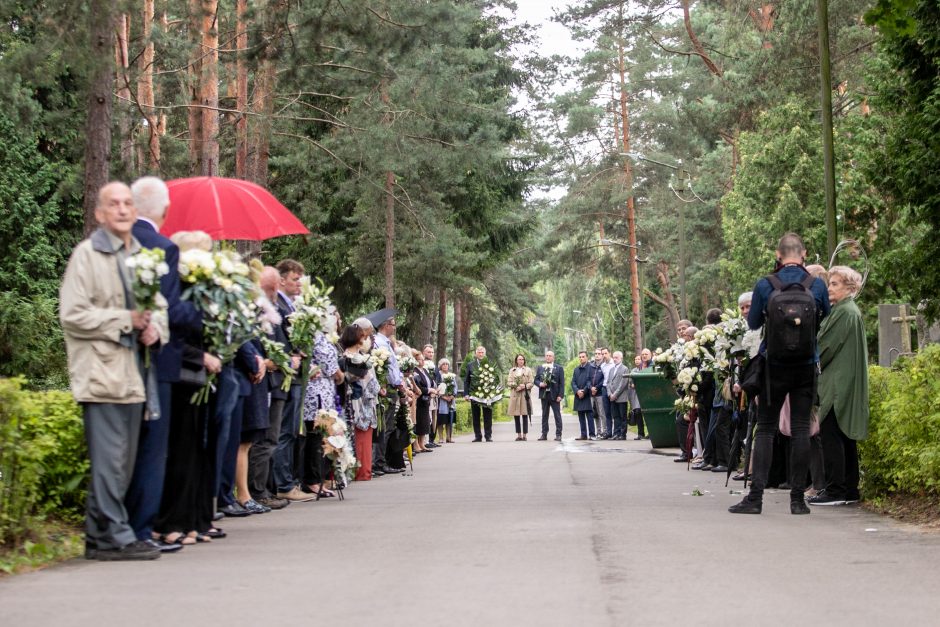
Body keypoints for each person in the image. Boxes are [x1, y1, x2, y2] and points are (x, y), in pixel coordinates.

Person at [60, 181, 166, 561]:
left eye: (127, 203)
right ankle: (117, 535)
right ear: (100, 214)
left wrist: (155, 330)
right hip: (101, 373)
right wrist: (126, 320)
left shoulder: (141, 257)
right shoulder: (86, 255)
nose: (122, 209)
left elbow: (158, 310)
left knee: (123, 462)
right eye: (113, 204)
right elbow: (72, 316)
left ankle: (98, 537)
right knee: (110, 460)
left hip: (135, 375)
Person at [124, 176, 202, 553]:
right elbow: (170, 307)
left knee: (126, 448)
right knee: (155, 449)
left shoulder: (113, 244)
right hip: (160, 358)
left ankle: (127, 526)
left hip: (118, 356)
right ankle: (144, 529)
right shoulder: (162, 246)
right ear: (166, 211)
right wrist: (204, 311)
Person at [730, 233, 830, 516]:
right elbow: (823, 317)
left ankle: (756, 498)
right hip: (806, 365)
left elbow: (752, 323)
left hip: (773, 367)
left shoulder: (765, 284)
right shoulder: (817, 285)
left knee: (766, 429)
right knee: (800, 429)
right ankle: (798, 500)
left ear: (778, 254)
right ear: (804, 254)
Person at [153, 230, 222, 548]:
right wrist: (202, 354)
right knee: (181, 451)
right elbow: (175, 330)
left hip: (199, 375)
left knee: (197, 451)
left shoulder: (202, 288)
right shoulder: (178, 286)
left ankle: (195, 518)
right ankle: (174, 520)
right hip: (182, 372)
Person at [809, 266, 869, 506]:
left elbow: (824, 346)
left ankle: (836, 490)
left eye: (834, 284)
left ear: (850, 288)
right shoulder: (845, 310)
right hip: (840, 381)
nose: (829, 287)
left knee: (833, 435)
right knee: (843, 437)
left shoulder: (845, 312)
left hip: (837, 384)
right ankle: (849, 490)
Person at [247, 266, 293, 510]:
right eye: (270, 287)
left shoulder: (271, 309)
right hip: (267, 378)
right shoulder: (257, 310)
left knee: (271, 438)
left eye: (275, 286)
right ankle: (258, 490)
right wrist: (274, 360)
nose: (274, 291)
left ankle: (265, 488)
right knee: (265, 439)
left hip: (276, 379)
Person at [272, 260, 316, 502]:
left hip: (297, 374)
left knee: (289, 430)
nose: (299, 283)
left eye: (300, 279)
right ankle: (283, 484)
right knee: (285, 431)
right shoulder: (278, 306)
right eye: (295, 279)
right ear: (281, 280)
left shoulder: (292, 306)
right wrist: (294, 354)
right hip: (286, 374)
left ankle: (287, 481)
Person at [368, 309, 407, 474]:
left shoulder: (381, 342)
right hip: (388, 388)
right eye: (393, 324)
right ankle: (379, 462)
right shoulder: (382, 343)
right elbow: (390, 368)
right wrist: (399, 384)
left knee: (384, 426)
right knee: (386, 426)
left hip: (388, 386)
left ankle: (379, 461)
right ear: (385, 326)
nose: (394, 328)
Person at [340, 319, 380, 481]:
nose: (365, 340)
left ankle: (350, 470)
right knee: (362, 436)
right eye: (362, 337)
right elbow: (372, 385)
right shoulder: (360, 359)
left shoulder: (343, 357)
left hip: (350, 400)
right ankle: (363, 471)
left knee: (351, 435)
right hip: (361, 401)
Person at [463, 345, 494, 442]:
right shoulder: (470, 365)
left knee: (487, 415)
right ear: (476, 354)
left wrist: (493, 392)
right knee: (475, 415)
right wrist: (466, 394)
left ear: (485, 354)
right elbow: (466, 380)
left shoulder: (490, 363)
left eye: (482, 352)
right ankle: (478, 436)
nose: (480, 354)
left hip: (487, 394)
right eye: (479, 352)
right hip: (474, 394)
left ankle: (488, 436)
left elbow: (494, 379)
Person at [535, 351, 565, 441]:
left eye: (550, 356)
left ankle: (558, 434)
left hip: (555, 396)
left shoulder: (559, 368)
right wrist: (540, 384)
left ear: (553, 357)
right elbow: (535, 380)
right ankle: (544, 434)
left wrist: (560, 395)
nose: (548, 357)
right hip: (544, 395)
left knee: (557, 415)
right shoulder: (540, 367)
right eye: (547, 356)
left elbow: (561, 383)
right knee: (544, 415)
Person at [506, 354, 534, 441]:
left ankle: (525, 435)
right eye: (519, 359)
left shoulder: (528, 370)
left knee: (525, 414)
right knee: (516, 415)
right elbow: (509, 382)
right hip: (515, 394)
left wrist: (524, 386)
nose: (521, 361)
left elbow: (531, 383)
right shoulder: (512, 370)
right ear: (516, 361)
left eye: (522, 359)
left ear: (524, 361)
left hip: (524, 394)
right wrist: (515, 385)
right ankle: (519, 435)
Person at [412, 352, 434, 453]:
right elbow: (418, 386)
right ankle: (417, 444)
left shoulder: (424, 370)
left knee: (425, 422)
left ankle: (422, 443)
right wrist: (429, 390)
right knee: (419, 422)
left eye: (423, 359)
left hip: (426, 399)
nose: (423, 361)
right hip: (419, 399)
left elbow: (430, 382)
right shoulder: (414, 371)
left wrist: (433, 391)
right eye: (420, 359)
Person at [605, 351, 630, 440]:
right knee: (615, 416)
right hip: (612, 397)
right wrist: (609, 394)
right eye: (614, 357)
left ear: (621, 358)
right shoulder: (611, 369)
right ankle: (616, 433)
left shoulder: (625, 369)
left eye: (617, 357)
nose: (615, 359)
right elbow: (608, 383)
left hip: (621, 397)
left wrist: (615, 394)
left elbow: (623, 384)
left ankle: (623, 434)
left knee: (622, 416)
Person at [571, 351, 595, 440]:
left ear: (587, 357)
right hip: (578, 395)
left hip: (587, 395)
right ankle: (583, 435)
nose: (581, 358)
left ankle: (592, 435)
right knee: (581, 416)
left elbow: (590, 381)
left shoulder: (591, 368)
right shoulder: (576, 369)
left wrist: (583, 391)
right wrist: (577, 391)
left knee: (589, 416)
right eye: (580, 357)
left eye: (583, 356)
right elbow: (573, 382)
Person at [422, 344, 442, 447]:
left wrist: (438, 388)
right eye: (429, 352)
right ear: (424, 353)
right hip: (427, 396)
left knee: (435, 418)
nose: (431, 354)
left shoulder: (435, 366)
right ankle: (426, 440)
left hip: (435, 396)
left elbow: (438, 379)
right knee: (428, 418)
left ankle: (432, 439)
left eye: (432, 352)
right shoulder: (422, 365)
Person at [589, 348, 609, 439]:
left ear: (602, 355)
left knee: (602, 413)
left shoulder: (604, 366)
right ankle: (599, 431)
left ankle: (605, 431)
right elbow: (588, 379)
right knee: (595, 413)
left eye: (599, 353)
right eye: (595, 353)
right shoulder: (591, 366)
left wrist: (596, 387)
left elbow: (604, 380)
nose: (597, 355)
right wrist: (591, 387)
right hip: (592, 393)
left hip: (600, 393)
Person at [435, 359, 456, 443]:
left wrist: (452, 396)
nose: (445, 366)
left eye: (447, 364)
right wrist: (444, 397)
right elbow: (437, 387)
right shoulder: (438, 375)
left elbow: (455, 387)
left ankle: (449, 437)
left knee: (449, 419)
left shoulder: (451, 375)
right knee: (441, 420)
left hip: (451, 401)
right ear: (440, 365)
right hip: (442, 401)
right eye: (443, 364)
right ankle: (440, 437)